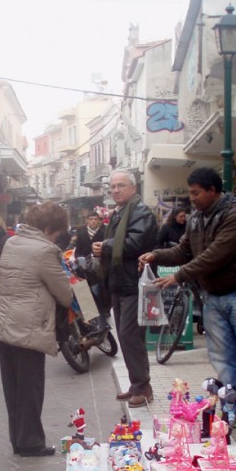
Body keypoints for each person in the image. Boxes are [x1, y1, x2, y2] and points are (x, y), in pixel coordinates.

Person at [139, 167, 236, 443]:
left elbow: (216, 255)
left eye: (196, 193)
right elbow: (183, 251)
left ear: (213, 191)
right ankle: (235, 412)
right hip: (213, 297)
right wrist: (156, 255)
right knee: (223, 360)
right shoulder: (196, 219)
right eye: (190, 193)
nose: (192, 198)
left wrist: (179, 275)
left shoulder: (235, 215)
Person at [0, 202, 72, 457]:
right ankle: (32, 443)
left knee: (12, 388)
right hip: (28, 329)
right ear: (48, 228)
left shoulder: (12, 242)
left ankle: (19, 440)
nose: (58, 237)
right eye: (58, 233)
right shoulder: (45, 251)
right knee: (31, 389)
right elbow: (65, 295)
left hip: (4, 324)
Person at [92, 170, 158, 407]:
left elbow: (135, 243)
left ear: (133, 188)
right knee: (126, 336)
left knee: (131, 336)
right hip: (120, 283)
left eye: (121, 185)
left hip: (133, 283)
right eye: (113, 186)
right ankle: (137, 385)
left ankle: (142, 386)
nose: (116, 190)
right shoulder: (121, 212)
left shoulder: (140, 212)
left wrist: (106, 246)